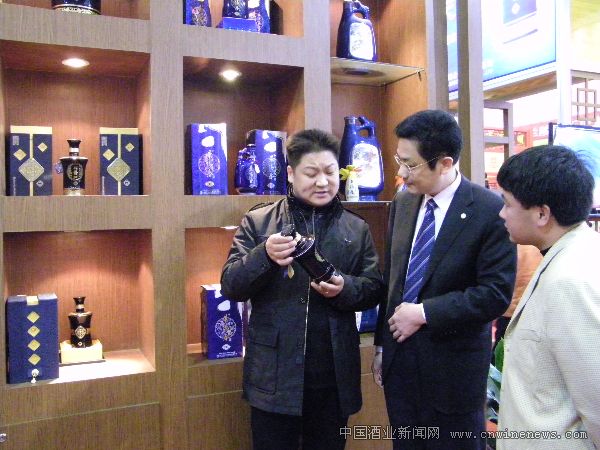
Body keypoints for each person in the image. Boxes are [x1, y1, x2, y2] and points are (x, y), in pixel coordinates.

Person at [221, 128, 384, 450]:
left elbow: (374, 288)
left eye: (330, 172)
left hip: (333, 376)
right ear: (291, 174)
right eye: (311, 173)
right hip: (274, 375)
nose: (322, 182)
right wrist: (264, 256)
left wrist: (345, 287)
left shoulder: (356, 227)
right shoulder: (259, 221)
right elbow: (231, 286)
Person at [372, 109, 516, 450]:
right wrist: (381, 345)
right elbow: (393, 279)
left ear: (445, 163)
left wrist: (424, 313)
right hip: (401, 367)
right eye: (399, 160)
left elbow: (494, 294)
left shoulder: (489, 210)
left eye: (410, 165)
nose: (401, 173)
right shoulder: (403, 202)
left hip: (453, 374)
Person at [496, 145, 600, 449]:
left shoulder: (571, 280)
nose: (501, 213)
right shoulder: (569, 254)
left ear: (542, 214)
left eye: (507, 204)